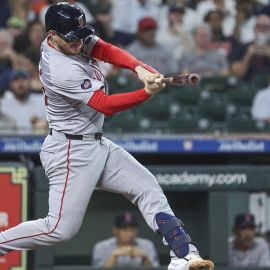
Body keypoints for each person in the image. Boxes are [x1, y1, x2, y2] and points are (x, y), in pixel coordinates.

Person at [0, 3, 214, 270]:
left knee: (146, 186)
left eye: (80, 35)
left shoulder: (68, 38)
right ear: (52, 36)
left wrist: (139, 68)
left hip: (94, 142)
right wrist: (145, 93)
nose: (79, 42)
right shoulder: (59, 67)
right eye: (72, 38)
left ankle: (184, 255)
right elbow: (104, 104)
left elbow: (103, 48)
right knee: (59, 229)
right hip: (70, 150)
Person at [92, 212, 159, 267]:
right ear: (115, 231)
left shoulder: (147, 245)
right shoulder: (101, 247)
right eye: (125, 230)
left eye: (132, 230)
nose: (129, 234)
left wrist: (145, 257)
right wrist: (114, 256)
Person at [1, 70, 47, 134]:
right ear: (10, 84)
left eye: (24, 79)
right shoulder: (3, 104)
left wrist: (42, 123)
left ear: (30, 82)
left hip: (36, 142)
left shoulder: (42, 100)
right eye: (16, 80)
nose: (20, 83)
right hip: (9, 142)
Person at [230, 14, 270, 81]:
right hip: (247, 84)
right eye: (259, 26)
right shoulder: (242, 47)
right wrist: (248, 55)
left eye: (266, 27)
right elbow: (238, 74)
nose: (262, 30)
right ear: (254, 29)